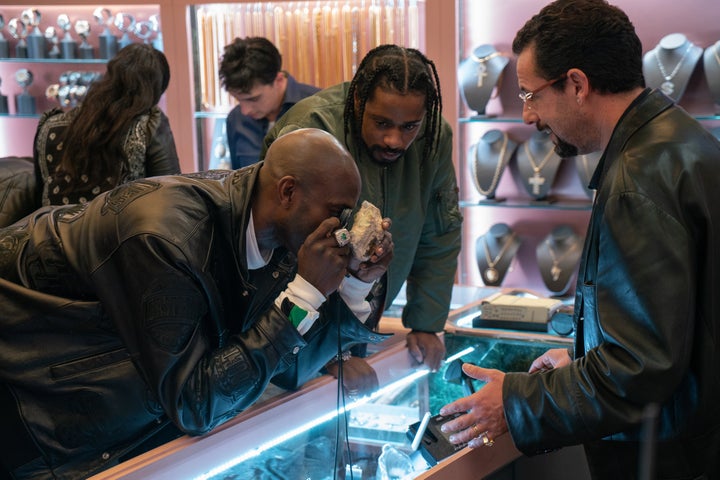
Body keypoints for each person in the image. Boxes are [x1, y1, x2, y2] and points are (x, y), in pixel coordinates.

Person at [0, 128, 393, 479]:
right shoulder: (165, 238)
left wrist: (357, 283)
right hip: (34, 403)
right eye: (336, 211)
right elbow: (195, 402)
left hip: (121, 414)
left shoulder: (279, 232)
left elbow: (286, 371)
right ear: (288, 192)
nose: (342, 227)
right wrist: (306, 293)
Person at [439, 1, 720, 479]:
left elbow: (638, 370)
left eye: (530, 94)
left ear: (576, 84)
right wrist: (585, 352)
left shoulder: (639, 179)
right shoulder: (678, 143)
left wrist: (514, 401)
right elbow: (677, 326)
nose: (527, 116)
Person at [261, 44, 463, 382]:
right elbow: (278, 253)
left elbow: (439, 232)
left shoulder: (433, 136)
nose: (394, 140)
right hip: (289, 333)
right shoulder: (310, 127)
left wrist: (427, 323)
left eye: (409, 126)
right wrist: (327, 351)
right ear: (357, 102)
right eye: (382, 123)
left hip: (367, 313)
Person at [33, 43, 180, 207]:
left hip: (51, 230)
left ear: (109, 75)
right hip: (121, 231)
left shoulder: (49, 125)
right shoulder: (149, 124)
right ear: (156, 90)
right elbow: (170, 197)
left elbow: (38, 198)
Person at [218, 36, 320, 169]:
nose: (245, 110)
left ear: (278, 80)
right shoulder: (235, 119)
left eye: (253, 99)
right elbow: (240, 185)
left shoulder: (318, 107)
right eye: (238, 99)